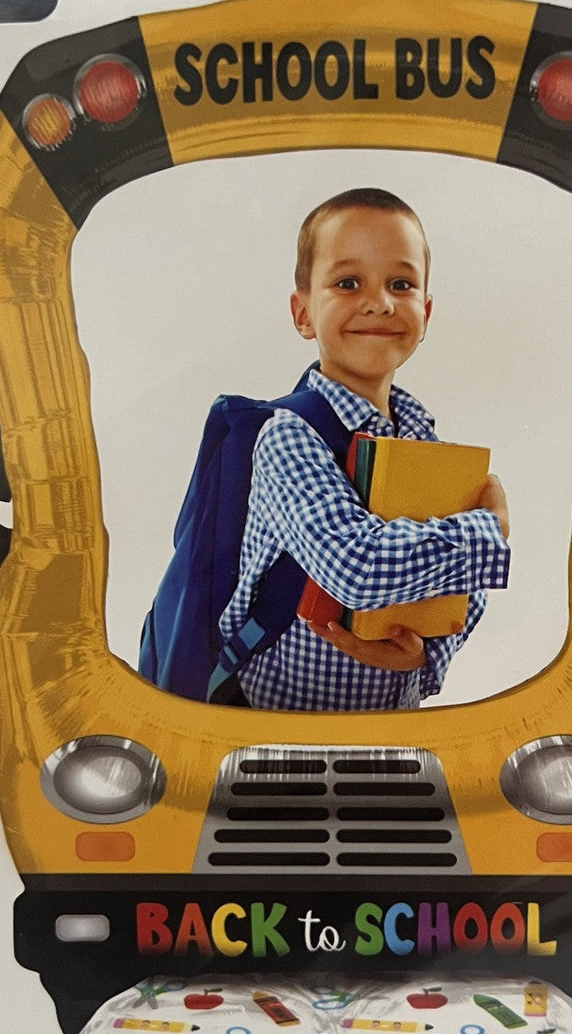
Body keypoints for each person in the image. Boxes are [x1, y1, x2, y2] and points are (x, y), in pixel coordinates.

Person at [218, 187, 511, 711]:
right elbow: (355, 568)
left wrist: (424, 656)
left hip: (390, 723)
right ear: (303, 313)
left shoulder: (424, 440)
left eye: (400, 283)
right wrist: (484, 532)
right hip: (281, 728)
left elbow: (460, 595)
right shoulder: (289, 436)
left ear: (424, 312)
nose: (379, 302)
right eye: (348, 283)